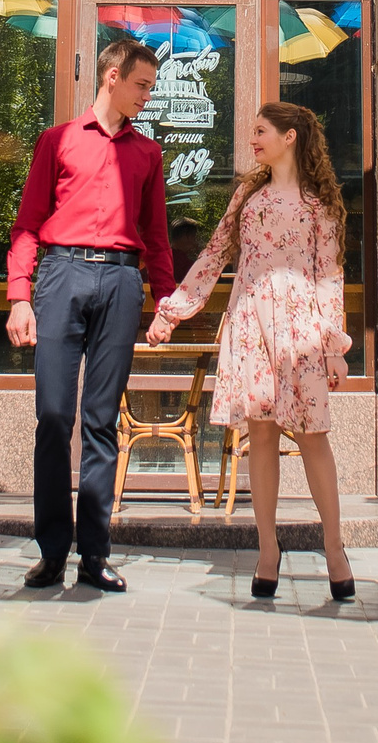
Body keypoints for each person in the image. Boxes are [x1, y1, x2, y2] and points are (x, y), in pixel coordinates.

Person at [146, 102, 355, 601]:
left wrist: (334, 347)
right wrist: (172, 311)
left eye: (261, 131)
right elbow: (214, 255)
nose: (253, 140)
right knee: (259, 436)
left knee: (313, 437)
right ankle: (267, 549)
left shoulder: (318, 204)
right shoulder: (247, 195)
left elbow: (330, 276)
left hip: (302, 327)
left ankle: (334, 547)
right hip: (250, 322)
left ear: (290, 137)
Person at [6, 38, 170, 593]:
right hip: (61, 276)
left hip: (122, 281)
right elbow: (28, 223)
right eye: (142, 85)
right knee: (54, 416)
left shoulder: (148, 154)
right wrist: (19, 296)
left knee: (101, 422)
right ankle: (52, 550)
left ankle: (94, 555)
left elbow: (157, 237)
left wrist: (163, 304)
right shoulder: (57, 142)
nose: (148, 96)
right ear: (112, 78)